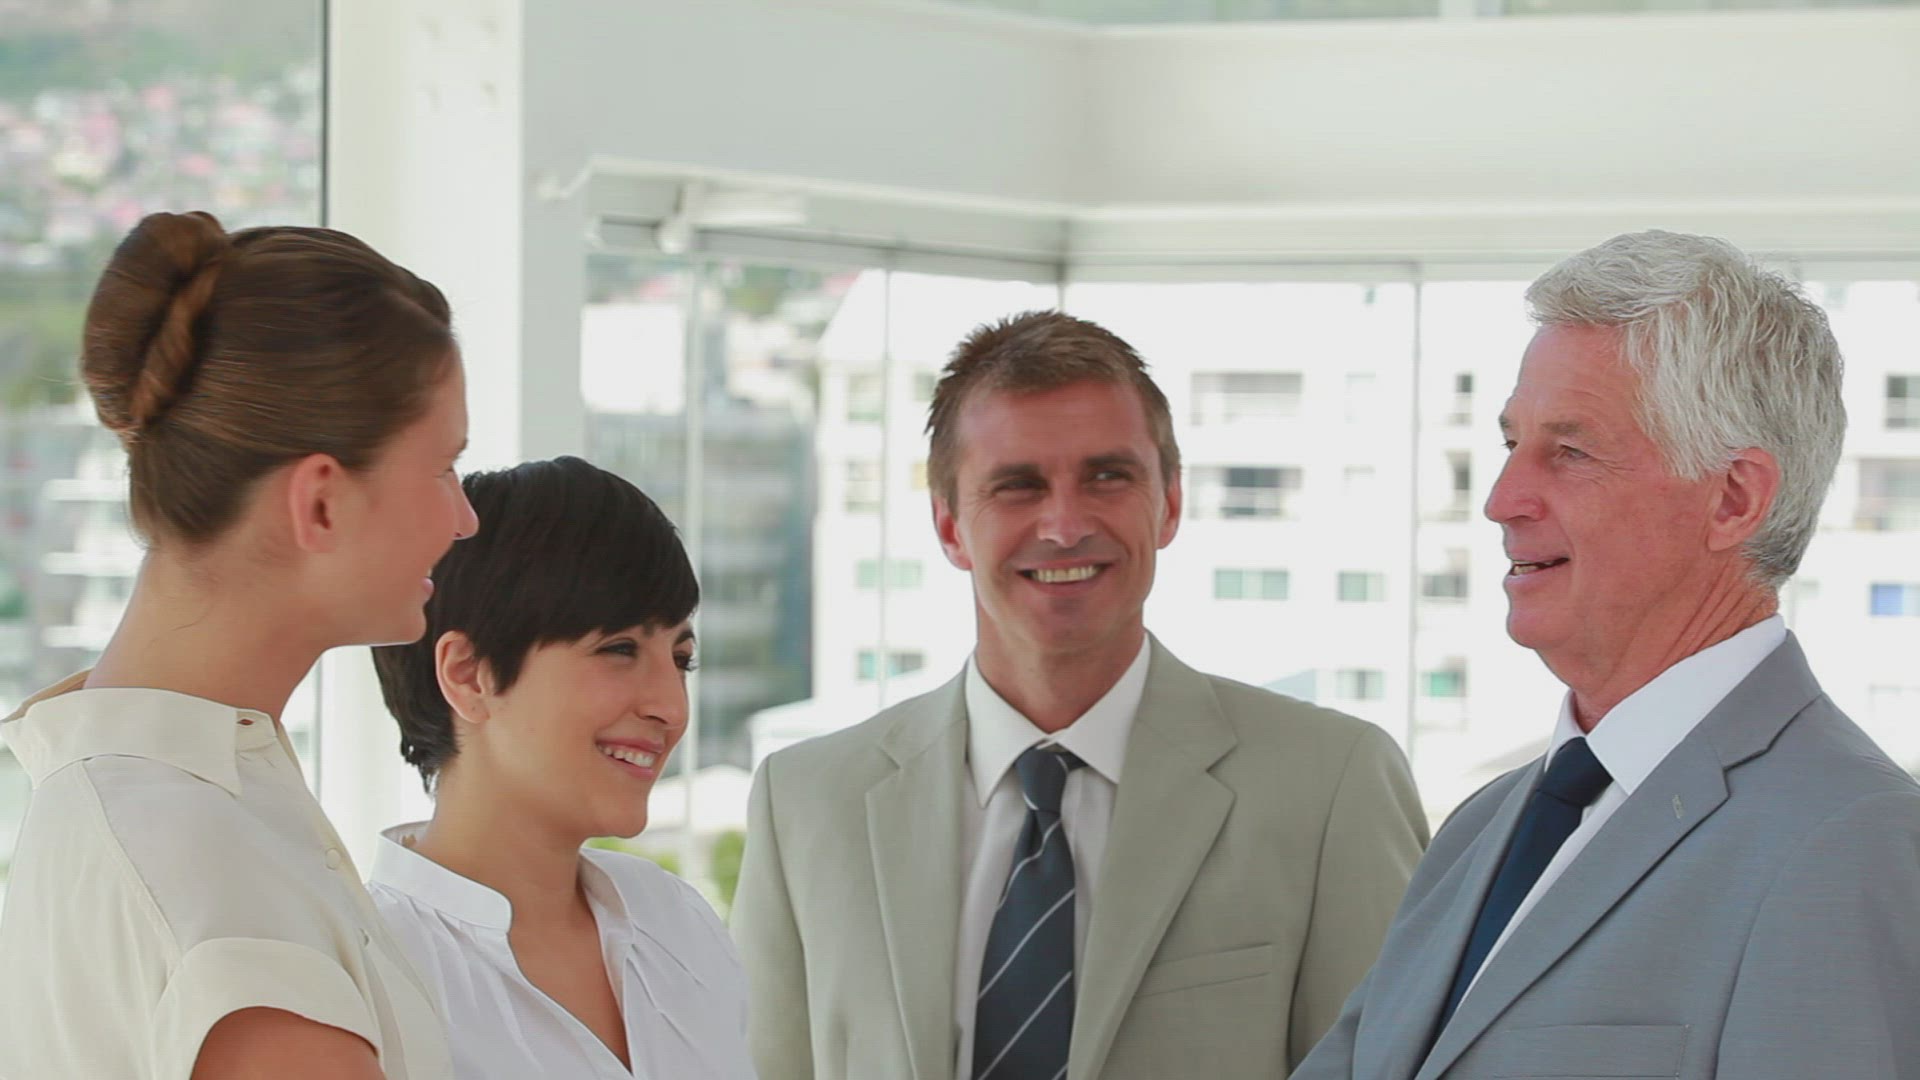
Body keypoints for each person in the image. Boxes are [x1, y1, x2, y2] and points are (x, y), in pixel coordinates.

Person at [732, 310, 1429, 1080]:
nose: (1064, 526)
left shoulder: (1332, 786)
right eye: (1018, 486)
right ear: (949, 527)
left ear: (1169, 503)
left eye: (1107, 477)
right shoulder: (806, 804)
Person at [1292, 231, 1920, 1080]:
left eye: (1571, 451)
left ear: (1734, 499)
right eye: (1511, 445)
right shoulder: (1484, 825)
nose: (1502, 500)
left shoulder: (1851, 843)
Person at [0, 211, 474, 1079]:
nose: (464, 519)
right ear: (321, 502)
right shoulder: (213, 877)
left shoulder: (119, 797)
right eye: (444, 469)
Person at [367, 455, 754, 1080]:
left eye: (680, 659)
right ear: (468, 675)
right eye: (619, 649)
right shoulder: (367, 975)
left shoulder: (677, 922)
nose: (671, 707)